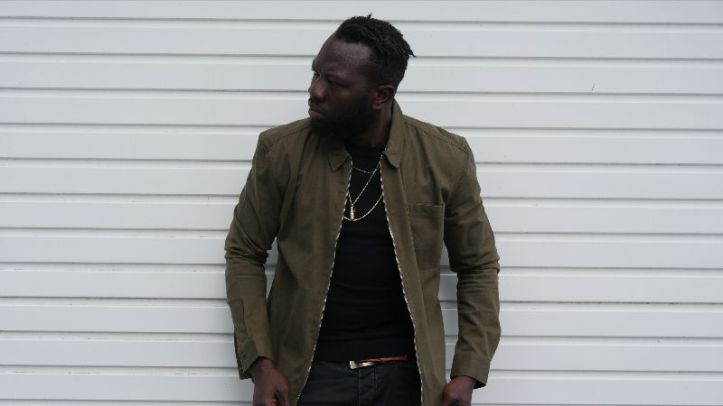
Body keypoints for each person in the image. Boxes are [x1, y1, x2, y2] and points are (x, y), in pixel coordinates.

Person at [225, 15, 500, 406]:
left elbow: (478, 266)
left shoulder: (444, 158)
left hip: (407, 380)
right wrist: (261, 363)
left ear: (380, 96)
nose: (315, 90)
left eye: (334, 83)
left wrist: (468, 372)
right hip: (309, 378)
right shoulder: (281, 151)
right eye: (315, 73)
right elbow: (243, 253)